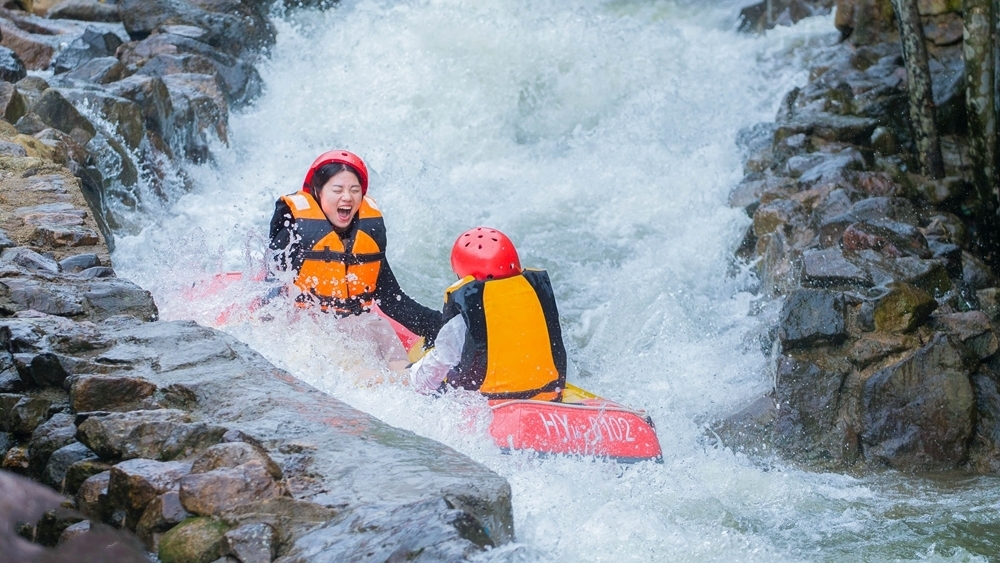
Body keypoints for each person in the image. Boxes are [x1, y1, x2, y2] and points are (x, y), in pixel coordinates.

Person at [268, 150, 443, 357]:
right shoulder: (294, 234)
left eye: (354, 190)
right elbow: (272, 292)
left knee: (381, 329)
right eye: (337, 189)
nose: (347, 197)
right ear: (318, 191)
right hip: (306, 330)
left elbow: (392, 300)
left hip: (351, 326)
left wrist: (440, 326)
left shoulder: (365, 237)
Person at [409, 227, 567, 401]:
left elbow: (432, 372)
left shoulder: (466, 317)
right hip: (548, 395)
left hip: (489, 403)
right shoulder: (534, 295)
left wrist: (412, 376)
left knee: (433, 379)